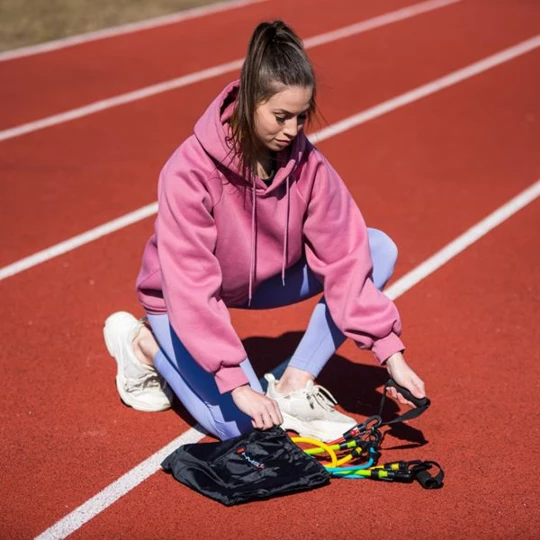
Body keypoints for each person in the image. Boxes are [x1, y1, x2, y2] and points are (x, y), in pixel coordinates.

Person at [103, 20, 425, 443]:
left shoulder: (308, 165)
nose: (292, 131)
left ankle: (294, 384)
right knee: (238, 425)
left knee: (374, 246)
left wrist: (390, 352)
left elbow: (346, 255)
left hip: (267, 281)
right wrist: (236, 381)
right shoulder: (188, 172)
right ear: (250, 100)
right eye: (280, 116)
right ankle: (143, 344)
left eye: (301, 117)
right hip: (181, 297)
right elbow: (193, 285)